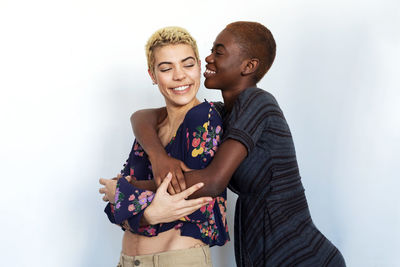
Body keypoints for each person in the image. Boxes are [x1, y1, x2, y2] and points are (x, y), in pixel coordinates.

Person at [131, 21, 346, 266]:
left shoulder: (259, 103)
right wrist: (159, 157)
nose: (209, 58)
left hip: (303, 256)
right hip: (260, 254)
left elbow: (213, 181)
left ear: (249, 66)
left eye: (219, 52)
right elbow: (142, 117)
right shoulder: (222, 115)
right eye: (211, 50)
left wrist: (133, 189)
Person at [99, 26, 229, 267]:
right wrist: (140, 206)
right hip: (127, 260)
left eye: (188, 65)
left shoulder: (204, 117)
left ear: (200, 67)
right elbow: (116, 211)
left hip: (176, 260)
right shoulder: (150, 130)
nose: (179, 75)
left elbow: (191, 194)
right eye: (166, 68)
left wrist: (123, 191)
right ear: (152, 75)